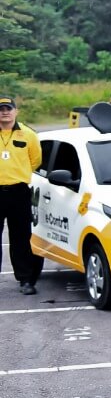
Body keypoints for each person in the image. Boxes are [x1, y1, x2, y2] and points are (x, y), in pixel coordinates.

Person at [0, 95, 41, 296]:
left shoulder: (28, 135)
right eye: (1, 109)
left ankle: (25, 280)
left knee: (21, 238)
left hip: (19, 192)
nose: (4, 112)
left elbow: (35, 161)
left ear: (16, 111)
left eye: (8, 108)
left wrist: (18, 174)